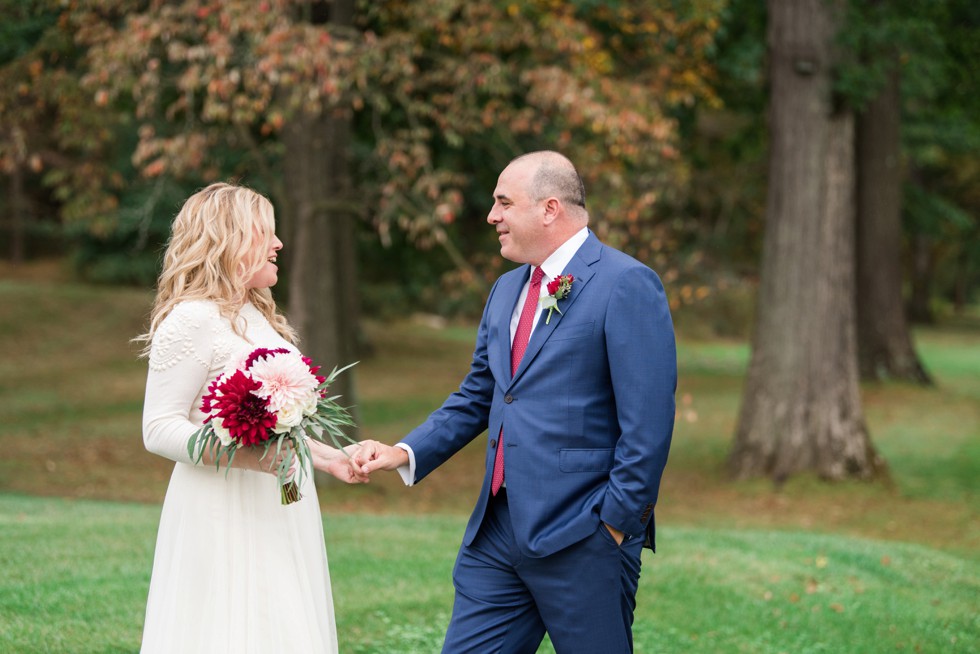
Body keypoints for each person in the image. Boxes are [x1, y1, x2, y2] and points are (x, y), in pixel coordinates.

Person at [355, 151, 677, 653]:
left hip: (583, 531)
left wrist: (615, 524)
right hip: (498, 532)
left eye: (503, 202)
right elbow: (481, 394)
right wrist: (405, 451)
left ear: (550, 208)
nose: (492, 216)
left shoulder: (625, 284)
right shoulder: (506, 290)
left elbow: (648, 427)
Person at [136, 182, 367, 653]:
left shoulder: (259, 316)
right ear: (230, 239)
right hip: (221, 502)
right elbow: (158, 428)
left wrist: (329, 459)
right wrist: (249, 460)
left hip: (280, 502)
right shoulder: (190, 319)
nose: (280, 245)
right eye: (268, 234)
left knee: (280, 622)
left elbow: (285, 425)